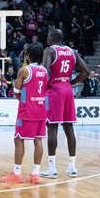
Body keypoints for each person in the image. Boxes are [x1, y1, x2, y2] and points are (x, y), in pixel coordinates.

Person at [40, 29, 89, 179]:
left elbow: (44, 70)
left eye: (48, 36)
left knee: (52, 128)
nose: (47, 38)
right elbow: (86, 71)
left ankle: (52, 168)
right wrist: (71, 83)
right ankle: (72, 167)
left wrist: (42, 86)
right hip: (67, 89)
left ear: (53, 37)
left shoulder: (49, 50)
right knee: (69, 127)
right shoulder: (72, 51)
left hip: (54, 90)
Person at [0, 43, 48, 184]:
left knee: (19, 139)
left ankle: (16, 173)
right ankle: (35, 174)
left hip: (27, 111)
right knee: (38, 140)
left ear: (28, 55)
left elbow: (17, 91)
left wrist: (19, 91)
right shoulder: (45, 71)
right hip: (41, 109)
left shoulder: (24, 70)